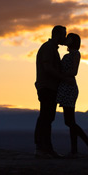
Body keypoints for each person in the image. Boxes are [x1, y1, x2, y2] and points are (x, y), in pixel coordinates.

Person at [57, 33, 88, 159]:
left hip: (69, 88)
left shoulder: (75, 54)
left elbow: (74, 71)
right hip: (65, 88)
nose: (67, 40)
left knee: (69, 121)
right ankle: (74, 151)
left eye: (69, 38)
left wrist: (61, 75)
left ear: (73, 41)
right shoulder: (68, 55)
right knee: (70, 122)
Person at [34, 25, 68, 158]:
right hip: (47, 87)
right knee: (46, 117)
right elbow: (47, 68)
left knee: (47, 117)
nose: (65, 38)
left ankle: (43, 148)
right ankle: (43, 148)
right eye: (64, 35)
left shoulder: (52, 48)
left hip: (49, 87)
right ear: (58, 35)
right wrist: (62, 78)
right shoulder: (48, 48)